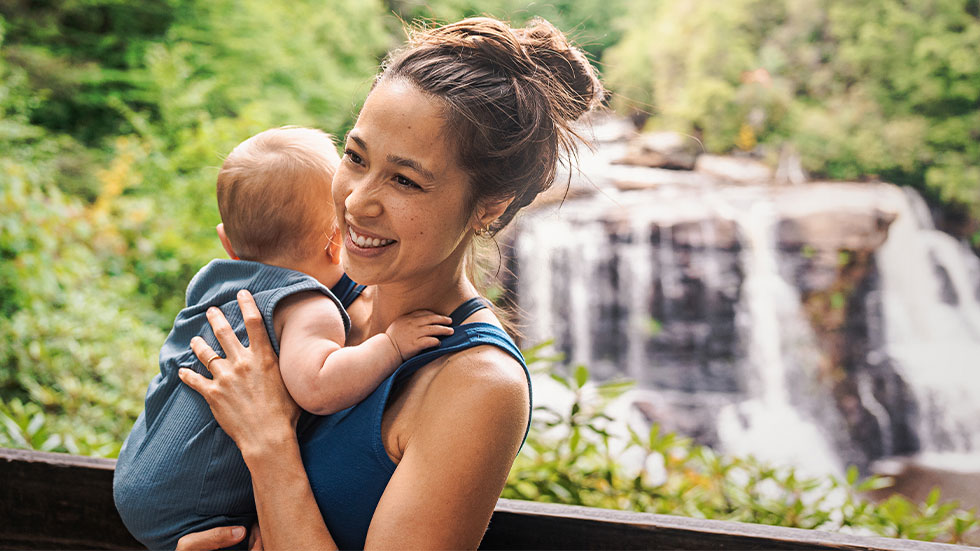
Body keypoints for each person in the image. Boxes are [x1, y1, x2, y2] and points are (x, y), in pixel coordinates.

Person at [177, 16, 604, 550]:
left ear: (488, 208)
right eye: (355, 157)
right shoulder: (317, 295)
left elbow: (268, 455)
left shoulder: (476, 385)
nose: (357, 201)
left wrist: (268, 444)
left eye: (405, 180)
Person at [112, 126, 453, 550]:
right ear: (336, 246)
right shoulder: (310, 305)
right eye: (356, 160)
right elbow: (318, 387)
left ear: (228, 243)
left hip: (139, 472)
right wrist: (391, 345)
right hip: (196, 509)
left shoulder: (213, 282)